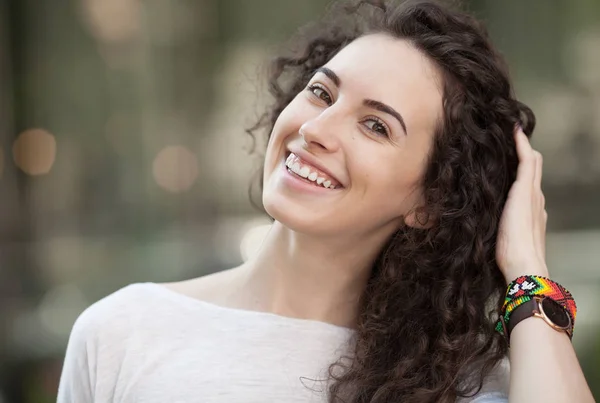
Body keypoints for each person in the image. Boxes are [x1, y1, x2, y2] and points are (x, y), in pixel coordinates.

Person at [57, 1, 595, 402]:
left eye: (375, 125)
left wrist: (526, 268)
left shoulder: (466, 385)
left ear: (430, 200)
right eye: (321, 92)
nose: (315, 128)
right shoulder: (123, 331)